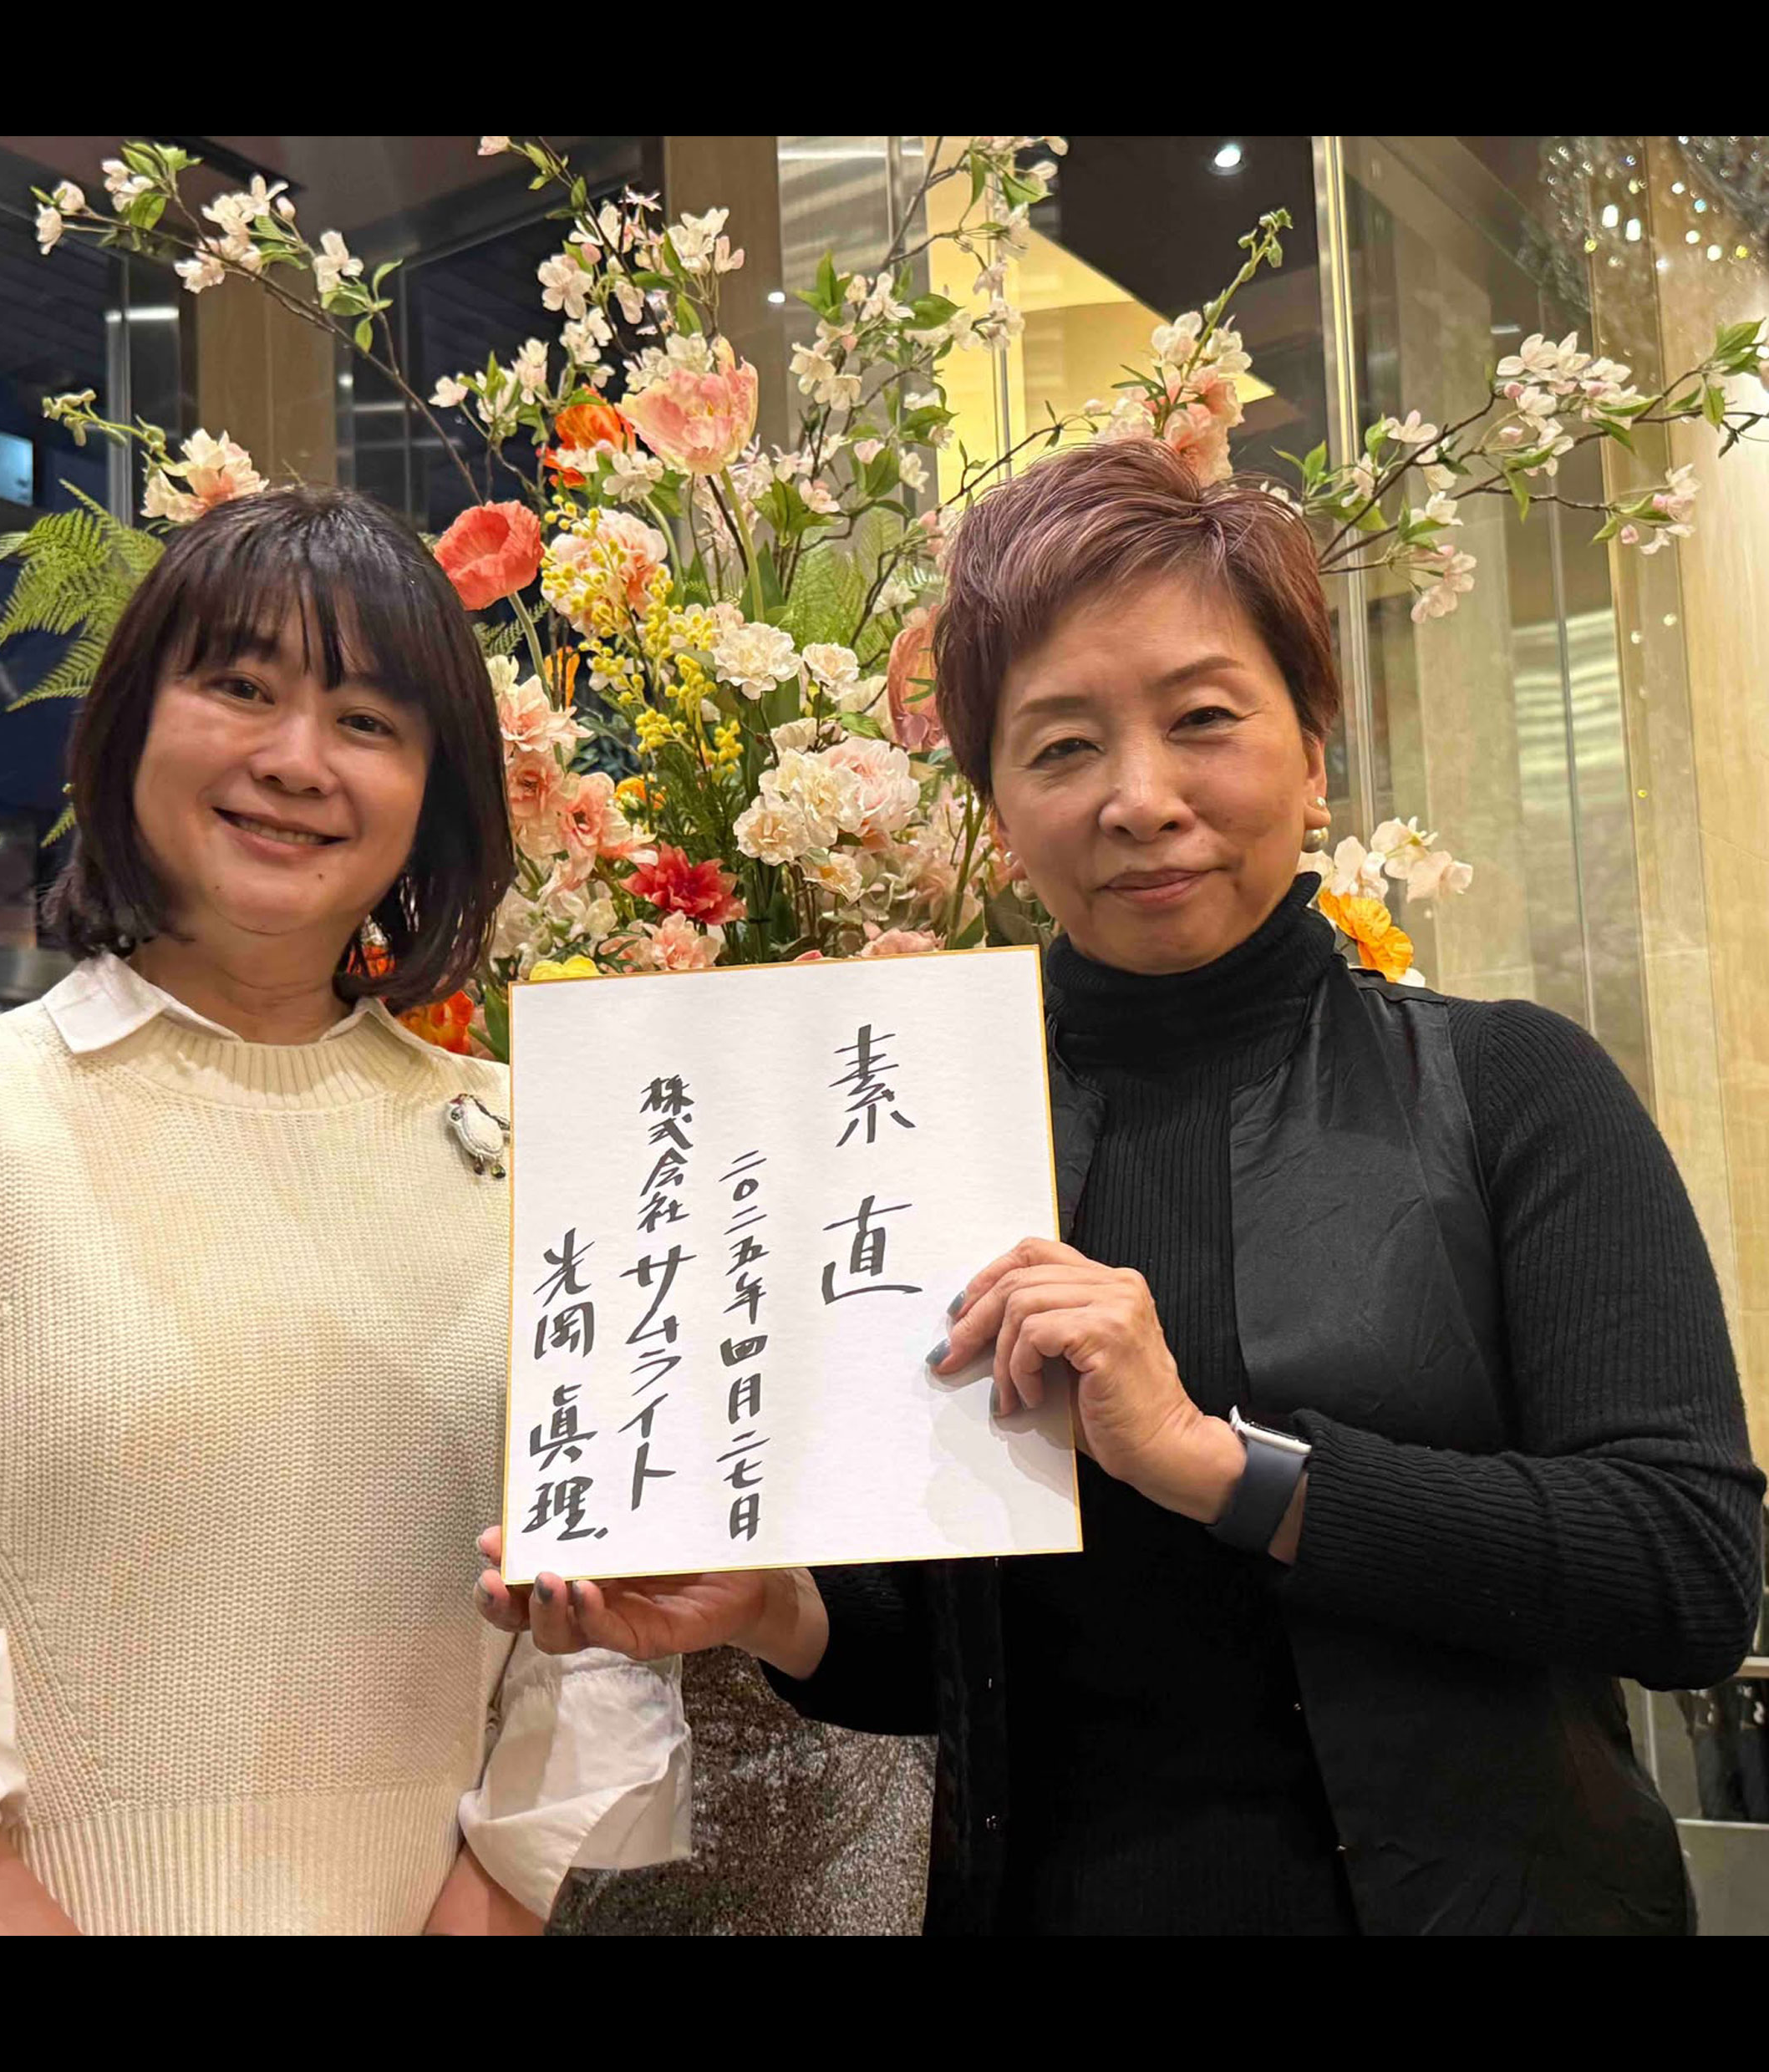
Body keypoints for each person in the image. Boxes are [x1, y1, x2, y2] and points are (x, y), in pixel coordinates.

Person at [478, 439, 1766, 1936]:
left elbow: (1682, 1570)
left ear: (1314, 753)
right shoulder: (922, 1126)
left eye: (1203, 719)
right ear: (994, 806)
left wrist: (1217, 1463)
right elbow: (972, 1662)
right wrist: (773, 1606)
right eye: (1062, 746)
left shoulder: (1509, 1085)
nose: (1140, 798)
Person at [0, 485, 687, 1936]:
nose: (297, 760)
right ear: (129, 729)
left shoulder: (540, 1155)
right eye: (240, 688)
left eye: (368, 720)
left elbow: (596, 1652)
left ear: (436, 796)